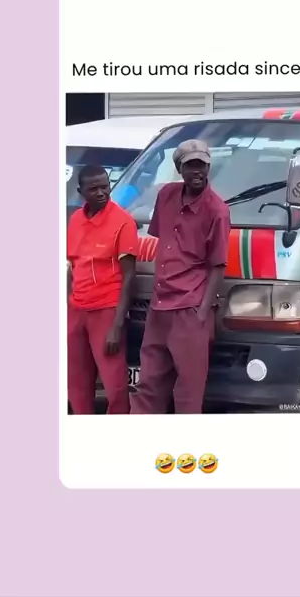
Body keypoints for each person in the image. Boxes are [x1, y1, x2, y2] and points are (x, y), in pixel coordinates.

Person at [130, 140, 231, 414]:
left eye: (202, 165)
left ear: (209, 167)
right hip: (159, 305)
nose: (197, 171)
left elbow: (218, 266)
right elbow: (161, 238)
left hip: (190, 308)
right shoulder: (166, 195)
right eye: (190, 166)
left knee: (188, 391)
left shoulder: (217, 210)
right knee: (148, 384)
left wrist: (201, 314)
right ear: (179, 169)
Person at [67, 165, 139, 413]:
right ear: (81, 192)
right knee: (76, 381)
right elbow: (73, 266)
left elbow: (129, 276)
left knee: (114, 384)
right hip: (76, 309)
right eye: (93, 189)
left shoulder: (123, 221)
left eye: (105, 187)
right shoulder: (75, 220)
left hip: (106, 310)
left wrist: (116, 326)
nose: (101, 193)